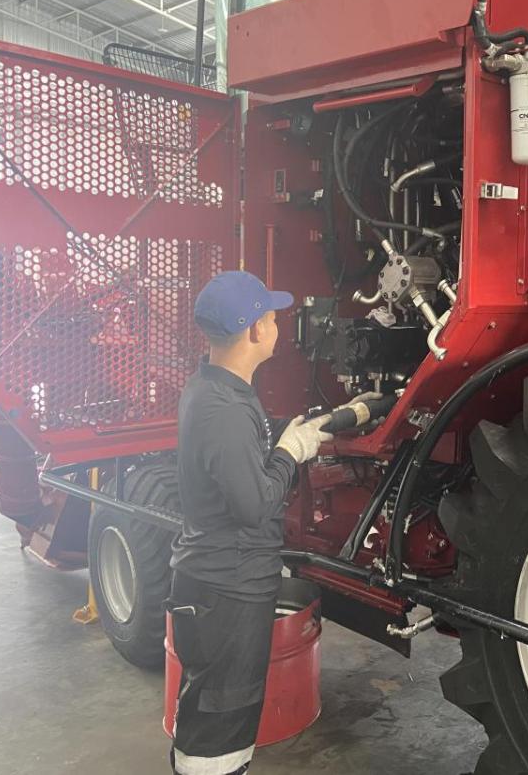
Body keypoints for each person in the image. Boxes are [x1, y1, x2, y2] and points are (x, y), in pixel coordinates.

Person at [167, 270, 330, 775]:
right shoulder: (223, 408)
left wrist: (281, 435)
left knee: (222, 712)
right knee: (221, 716)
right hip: (227, 589)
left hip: (222, 582)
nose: (278, 325)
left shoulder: (219, 389)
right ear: (254, 331)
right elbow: (253, 505)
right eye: (272, 317)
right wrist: (289, 454)